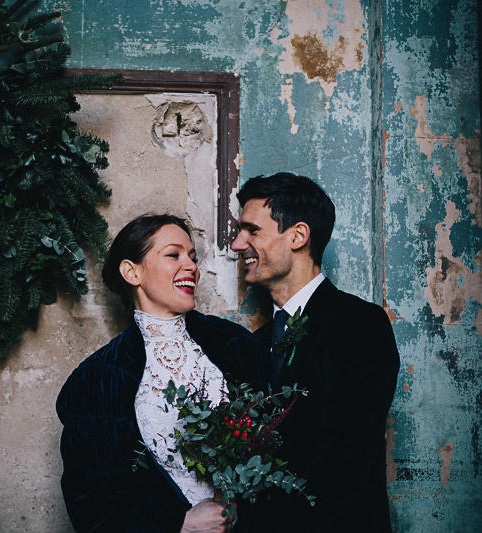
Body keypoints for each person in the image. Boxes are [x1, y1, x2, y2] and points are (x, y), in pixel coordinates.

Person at [56, 214, 268, 533]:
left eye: (193, 257)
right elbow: (88, 497)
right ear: (132, 272)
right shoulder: (96, 379)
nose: (191, 266)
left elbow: (277, 442)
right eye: (173, 255)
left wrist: (238, 502)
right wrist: (176, 524)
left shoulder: (235, 345)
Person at [230, 173, 400, 532]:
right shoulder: (256, 344)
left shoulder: (359, 325)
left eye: (252, 231)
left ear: (298, 236)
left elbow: (346, 463)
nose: (236, 244)